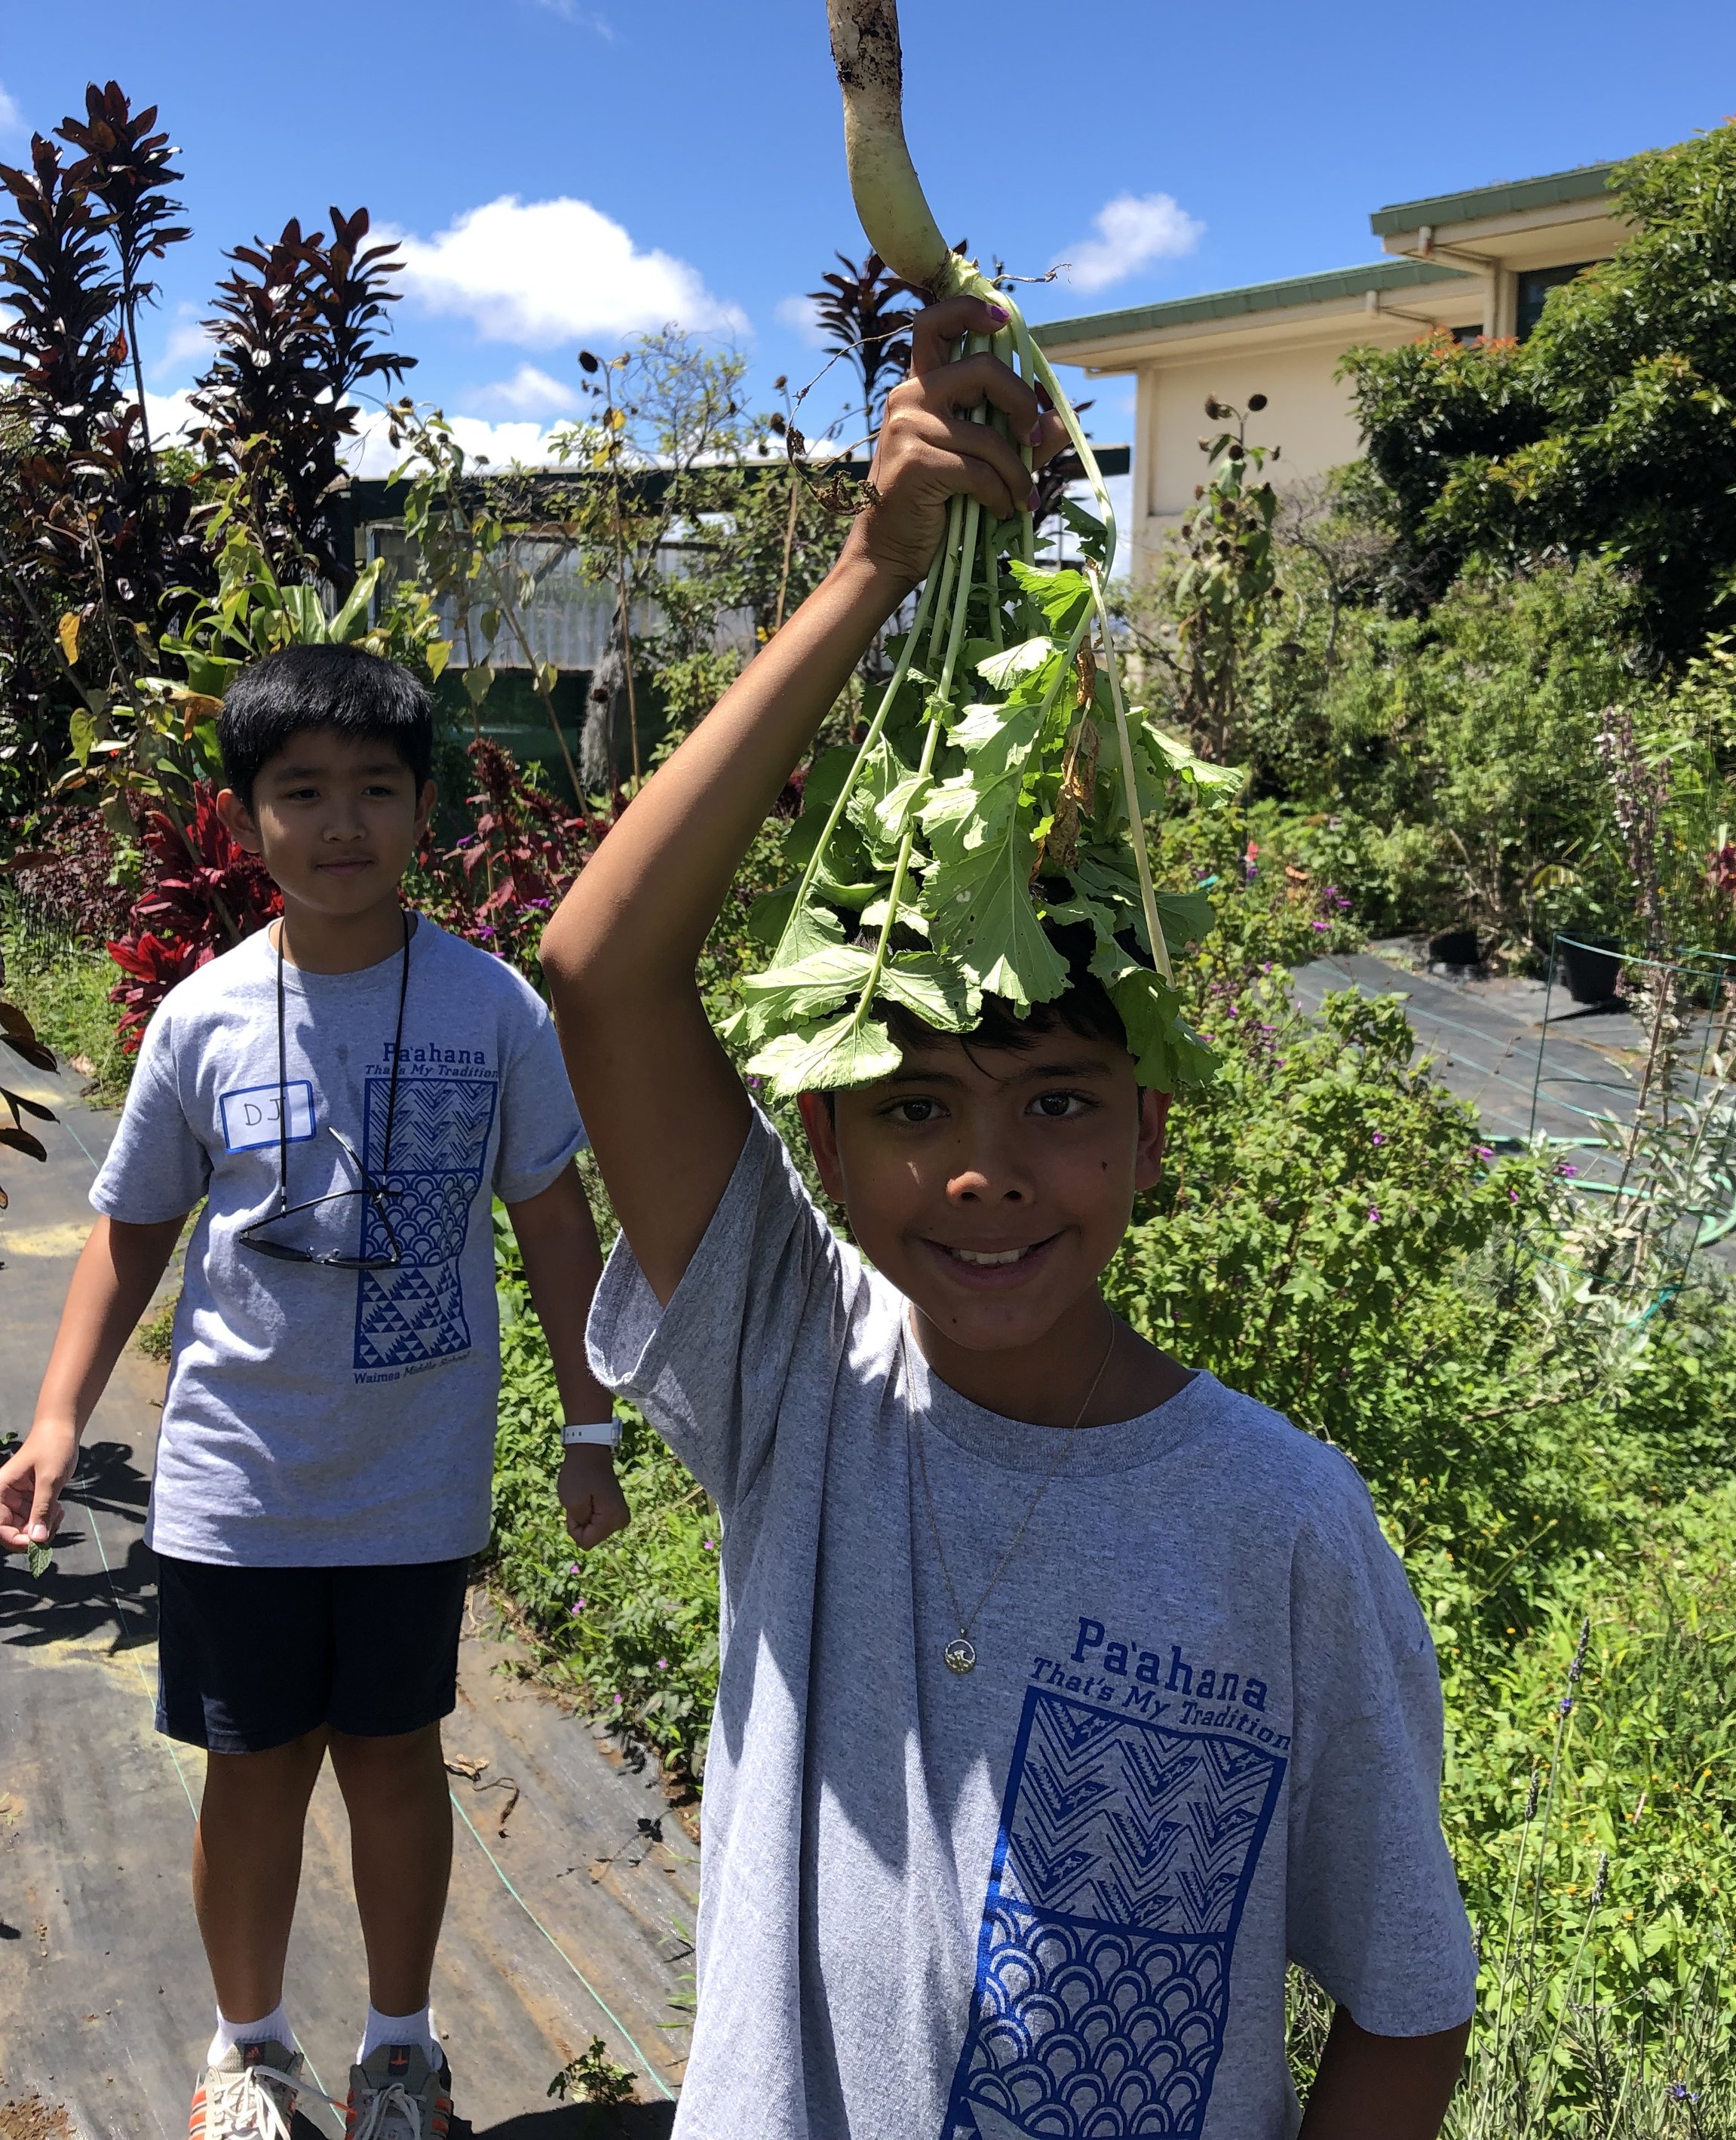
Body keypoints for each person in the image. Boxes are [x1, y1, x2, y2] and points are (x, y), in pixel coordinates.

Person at [538, 296, 1479, 2140]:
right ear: (813, 1135)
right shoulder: (799, 1378)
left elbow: (1403, 2005)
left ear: (1144, 1134)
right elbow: (597, 966)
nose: (980, 1170)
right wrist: (871, 574)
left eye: (1053, 1102)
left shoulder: (1282, 1526)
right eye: (910, 1109)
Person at [0, 645, 628, 2140]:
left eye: (373, 790)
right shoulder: (204, 1018)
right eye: (300, 791)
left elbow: (554, 1218)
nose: (339, 823)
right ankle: (248, 2050)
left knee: (398, 1760)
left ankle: (400, 2053)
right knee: (251, 1765)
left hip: (413, 1482)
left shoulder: (493, 1010)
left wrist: (588, 1421)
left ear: (422, 808)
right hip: (235, 1479)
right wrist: (54, 1414)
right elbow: (133, 1222)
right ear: (246, 817)